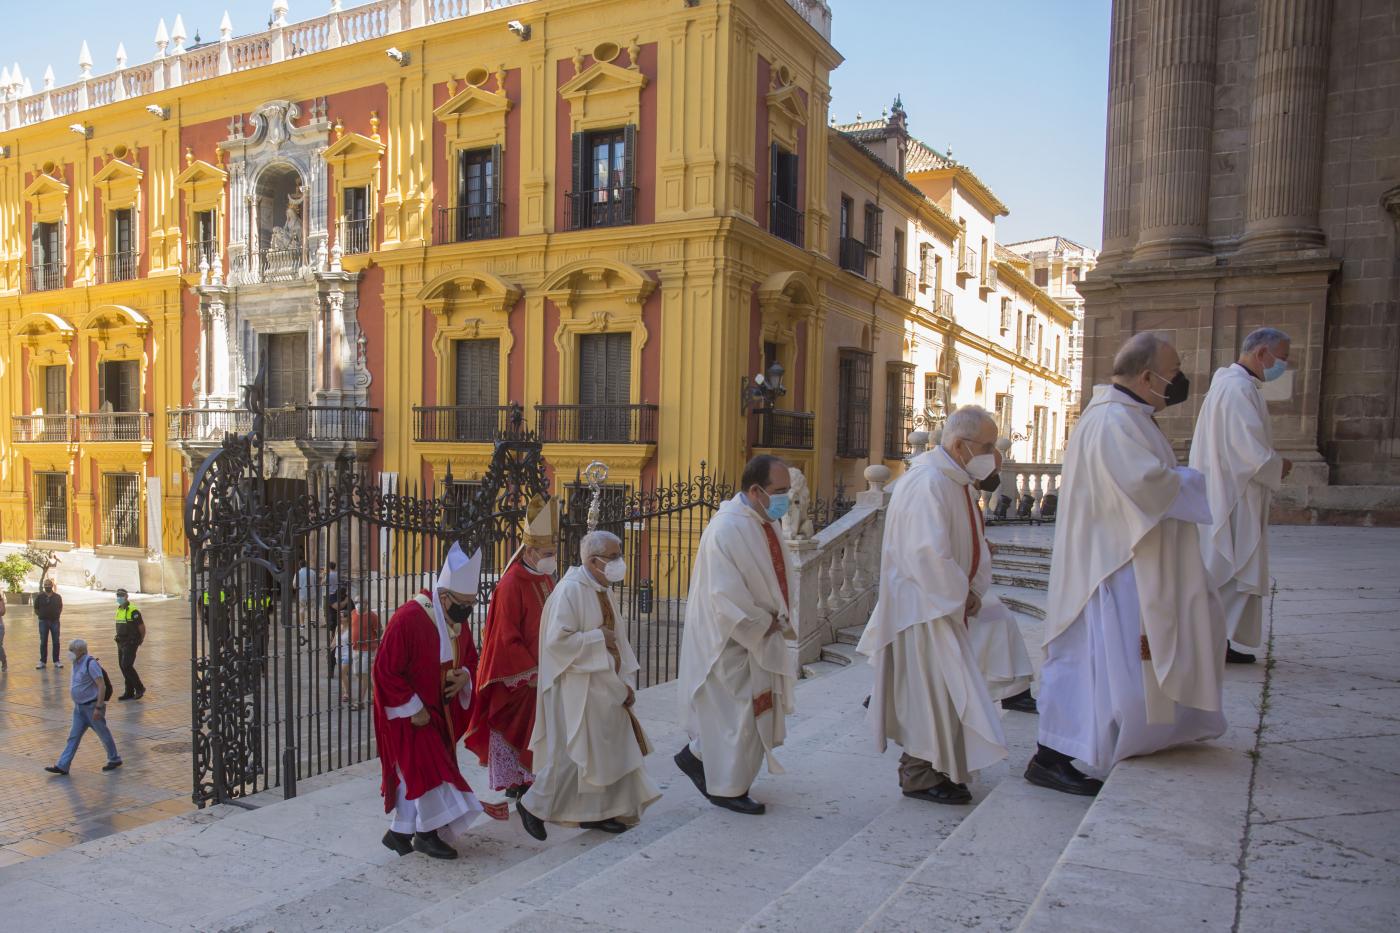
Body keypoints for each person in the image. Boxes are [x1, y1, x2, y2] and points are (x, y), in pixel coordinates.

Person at [1027, 333, 1226, 797]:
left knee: (1114, 662)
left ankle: (1136, 733)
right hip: (1112, 565)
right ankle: (1051, 757)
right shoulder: (1113, 420)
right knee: (1091, 662)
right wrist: (1193, 480)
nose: (1178, 380)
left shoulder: (1126, 415)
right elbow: (1145, 485)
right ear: (1147, 376)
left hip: (1123, 556)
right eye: (1173, 372)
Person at [857, 407, 1009, 805]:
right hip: (924, 609)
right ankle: (921, 775)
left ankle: (938, 769)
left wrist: (972, 584)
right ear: (959, 446)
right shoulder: (928, 482)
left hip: (941, 606)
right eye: (987, 447)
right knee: (929, 696)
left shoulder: (951, 479)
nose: (993, 455)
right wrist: (963, 594)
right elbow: (925, 554)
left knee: (944, 693)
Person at [515, 531, 660, 841]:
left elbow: (619, 638)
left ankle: (598, 812)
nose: (620, 562)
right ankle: (532, 806)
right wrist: (597, 639)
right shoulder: (570, 590)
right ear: (594, 562)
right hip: (577, 688)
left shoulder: (600, 588)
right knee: (573, 757)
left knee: (607, 752)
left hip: (604, 684)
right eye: (614, 556)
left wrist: (625, 680)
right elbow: (557, 642)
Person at [675, 454, 797, 816]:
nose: (786, 498)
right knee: (738, 717)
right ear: (756, 490)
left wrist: (778, 616)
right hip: (730, 640)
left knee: (747, 713)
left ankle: (699, 759)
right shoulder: (727, 528)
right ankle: (726, 789)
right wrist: (762, 623)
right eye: (780, 490)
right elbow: (723, 594)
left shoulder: (762, 520)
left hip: (760, 633)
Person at [372, 543, 484, 860]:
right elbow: (384, 671)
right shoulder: (408, 619)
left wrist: (465, 676)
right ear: (444, 597)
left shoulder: (456, 621)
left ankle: (400, 833)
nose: (467, 610)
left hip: (440, 713)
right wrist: (413, 707)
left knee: (418, 775)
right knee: (432, 774)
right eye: (463, 603)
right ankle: (425, 835)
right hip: (412, 715)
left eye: (472, 603)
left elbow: (471, 658)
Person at [1189, 327, 1293, 665]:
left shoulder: (1232, 385)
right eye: (1281, 358)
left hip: (1230, 490)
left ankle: (1218, 640)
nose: (1282, 366)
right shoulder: (1237, 389)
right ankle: (1211, 642)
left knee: (1229, 570)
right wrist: (1278, 465)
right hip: (1232, 496)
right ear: (1262, 353)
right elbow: (1249, 450)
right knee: (1227, 568)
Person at [464, 494, 559, 800]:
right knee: (519, 729)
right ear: (529, 551)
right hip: (520, 678)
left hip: (545, 671)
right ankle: (518, 782)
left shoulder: (545, 578)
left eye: (554, 552)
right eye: (547, 553)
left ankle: (533, 779)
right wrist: (529, 671)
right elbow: (505, 635)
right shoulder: (511, 584)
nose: (552, 558)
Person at [45, 639, 121, 775]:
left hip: (92, 707)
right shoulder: (76, 663)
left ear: (80, 651)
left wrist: (98, 707)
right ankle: (63, 765)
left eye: (72, 650)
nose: (69, 653)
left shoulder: (90, 664)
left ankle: (114, 759)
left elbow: (101, 686)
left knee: (103, 733)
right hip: (79, 709)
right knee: (73, 736)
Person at [336, 591, 381, 710]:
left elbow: (379, 631)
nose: (358, 604)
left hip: (368, 649)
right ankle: (376, 695)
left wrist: (376, 645)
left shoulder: (372, 616)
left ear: (366, 603)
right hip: (355, 649)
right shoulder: (352, 613)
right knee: (358, 673)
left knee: (364, 673)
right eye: (356, 602)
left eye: (361, 602)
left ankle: (360, 701)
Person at [113, 588, 146, 700]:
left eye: (121, 596)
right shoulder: (119, 609)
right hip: (121, 642)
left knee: (126, 665)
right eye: (118, 596)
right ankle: (129, 692)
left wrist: (140, 639)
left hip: (130, 642)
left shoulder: (133, 611)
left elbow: (142, 627)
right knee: (123, 666)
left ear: (126, 597)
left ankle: (140, 688)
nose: (119, 598)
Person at [34, 579, 63, 670]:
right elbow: (36, 608)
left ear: (52, 585)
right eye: (45, 585)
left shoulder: (57, 597)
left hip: (55, 621)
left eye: (49, 584)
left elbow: (60, 607)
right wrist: (41, 615)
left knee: (56, 641)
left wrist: (57, 615)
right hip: (43, 622)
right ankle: (42, 661)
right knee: (43, 642)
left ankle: (56, 661)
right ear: (44, 586)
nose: (47, 586)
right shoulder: (40, 596)